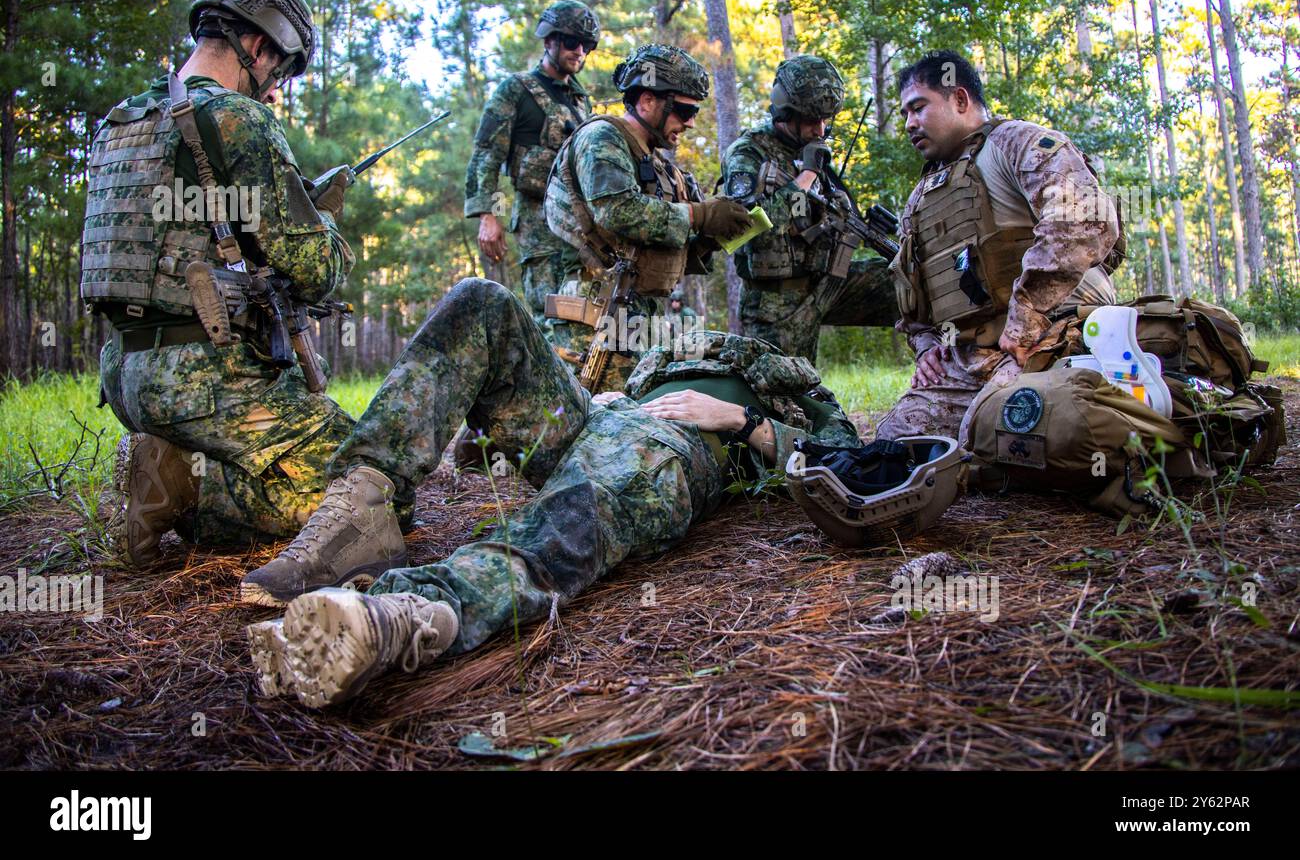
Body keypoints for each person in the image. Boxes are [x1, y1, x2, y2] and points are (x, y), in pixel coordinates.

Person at [245, 277, 862, 708]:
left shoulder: (793, 389)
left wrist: (740, 421)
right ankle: (364, 508)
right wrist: (615, 401)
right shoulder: (668, 354)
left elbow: (850, 460)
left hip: (675, 449)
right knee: (483, 303)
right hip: (600, 420)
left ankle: (409, 615)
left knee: (575, 512)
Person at [83, 0, 359, 574]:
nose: (275, 90)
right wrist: (325, 226)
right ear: (259, 47)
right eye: (280, 71)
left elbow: (172, 242)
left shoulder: (121, 120)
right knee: (372, 485)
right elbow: (317, 271)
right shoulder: (238, 119)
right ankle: (184, 491)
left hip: (125, 371)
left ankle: (170, 459)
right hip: (206, 377)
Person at [876, 50, 1122, 442]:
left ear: (959, 99)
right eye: (905, 113)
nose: (909, 123)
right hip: (972, 359)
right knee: (896, 443)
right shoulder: (921, 197)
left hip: (1052, 337)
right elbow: (913, 296)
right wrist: (926, 349)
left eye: (918, 108)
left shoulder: (1016, 143)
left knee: (996, 428)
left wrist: (1027, 315)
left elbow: (1086, 218)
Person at [543, 44, 750, 392]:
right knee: (593, 423)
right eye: (683, 110)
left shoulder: (663, 167)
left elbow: (674, 242)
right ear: (647, 101)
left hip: (643, 319)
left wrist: (717, 231)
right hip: (598, 315)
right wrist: (700, 215)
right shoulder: (601, 138)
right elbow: (618, 211)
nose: (690, 122)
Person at [721, 54, 896, 364]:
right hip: (776, 302)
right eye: (812, 119)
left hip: (828, 282)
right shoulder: (749, 153)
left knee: (909, 280)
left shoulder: (811, 150)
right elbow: (742, 230)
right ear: (786, 111)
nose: (820, 128)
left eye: (825, 119)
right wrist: (807, 175)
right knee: (786, 402)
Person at [465, 1, 599, 326]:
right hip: (538, 226)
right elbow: (487, 154)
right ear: (549, 40)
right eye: (570, 42)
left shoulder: (582, 102)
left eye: (586, 45)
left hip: (580, 228)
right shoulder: (516, 90)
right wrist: (489, 215)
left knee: (584, 319)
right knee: (552, 317)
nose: (578, 50)